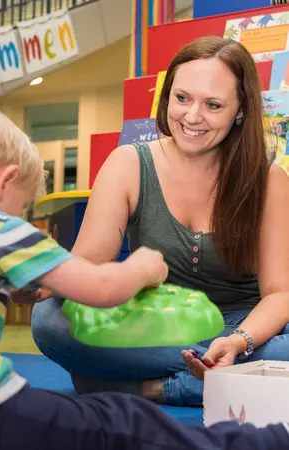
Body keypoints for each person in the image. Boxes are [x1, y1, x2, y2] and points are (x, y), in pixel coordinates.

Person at [0, 107, 287, 450]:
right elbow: (101, 288)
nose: (20, 216)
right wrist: (143, 267)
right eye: (22, 205)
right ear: (4, 182)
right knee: (114, 421)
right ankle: (259, 442)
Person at [25, 35, 289, 406]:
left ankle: (153, 388)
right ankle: (223, 380)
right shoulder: (128, 163)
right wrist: (43, 278)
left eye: (212, 104)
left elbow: (279, 294)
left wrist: (237, 341)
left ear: (240, 111)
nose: (191, 117)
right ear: (167, 97)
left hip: (245, 331)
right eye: (182, 98)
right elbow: (88, 264)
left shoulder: (270, 179)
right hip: (154, 328)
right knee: (50, 320)